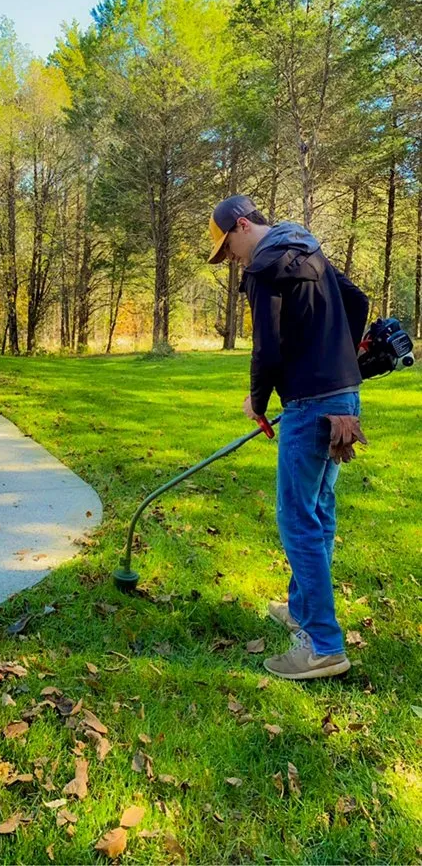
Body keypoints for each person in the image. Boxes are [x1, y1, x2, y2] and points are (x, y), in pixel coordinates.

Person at [208, 194, 369, 680]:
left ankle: (322, 645)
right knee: (318, 512)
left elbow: (268, 349)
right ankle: (301, 609)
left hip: (310, 406)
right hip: (344, 399)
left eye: (227, 247)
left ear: (241, 225)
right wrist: (337, 358)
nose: (231, 258)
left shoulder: (265, 268)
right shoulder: (308, 248)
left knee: (297, 520)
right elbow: (357, 301)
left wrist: (257, 401)